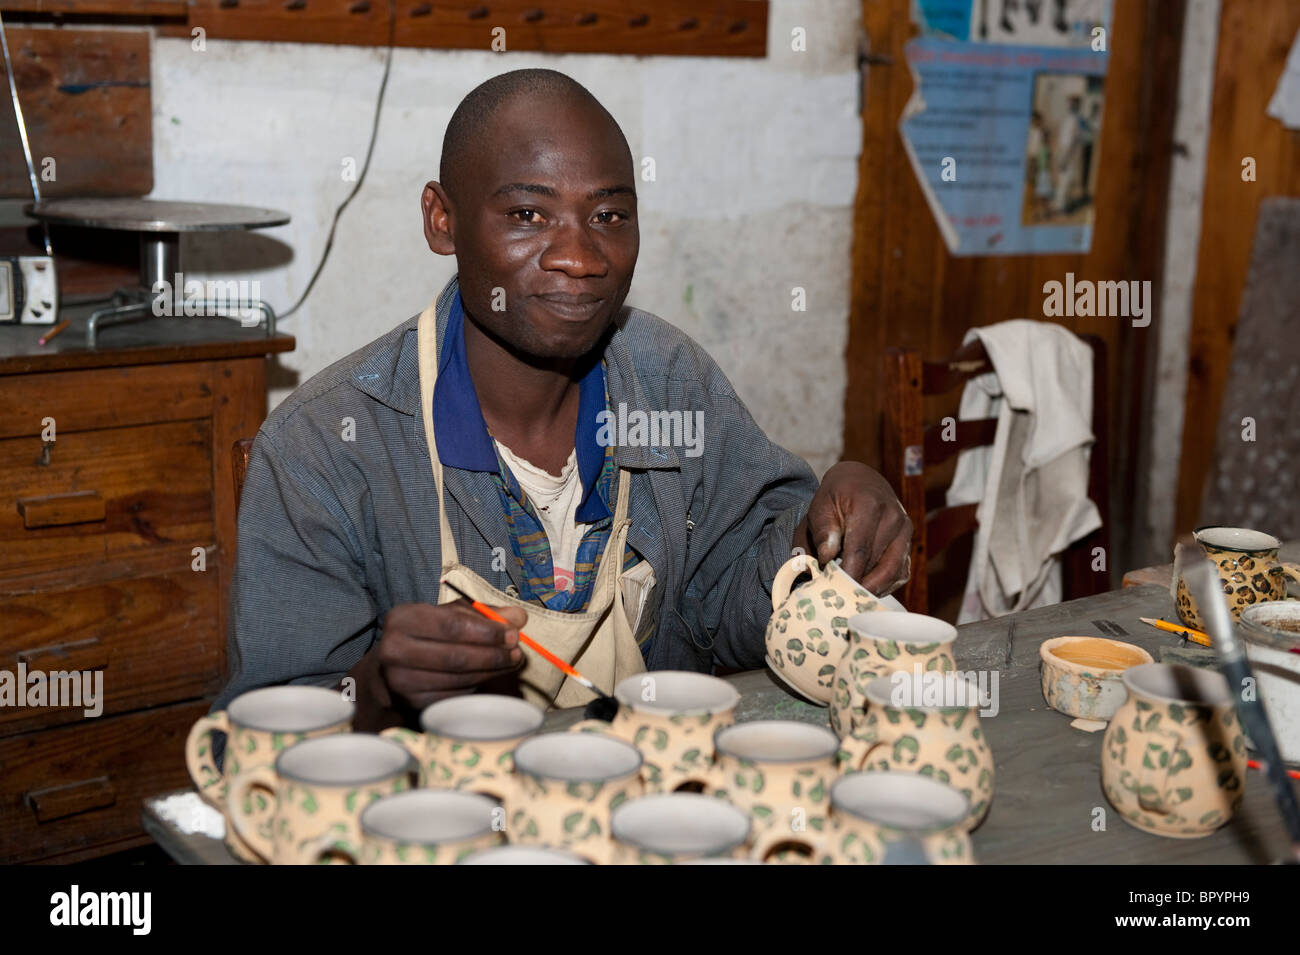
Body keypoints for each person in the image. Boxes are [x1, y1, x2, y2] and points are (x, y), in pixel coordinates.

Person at [217, 69, 912, 731]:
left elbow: (729, 603)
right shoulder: (327, 445)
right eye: (528, 214)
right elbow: (268, 731)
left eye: (609, 215)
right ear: (442, 220)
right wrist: (373, 691)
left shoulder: (668, 384)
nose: (580, 257)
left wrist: (822, 538)